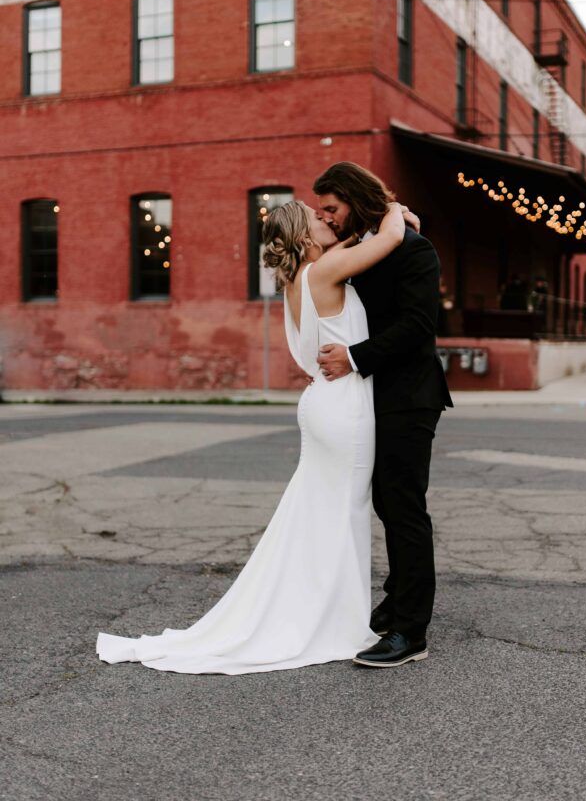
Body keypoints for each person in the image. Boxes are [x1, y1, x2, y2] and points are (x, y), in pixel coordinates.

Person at [96, 198, 407, 675]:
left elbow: (344, 249)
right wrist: (394, 209)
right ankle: (337, 621)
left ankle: (322, 608)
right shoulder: (326, 273)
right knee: (343, 514)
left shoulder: (300, 279)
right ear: (305, 239)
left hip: (322, 402)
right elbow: (388, 240)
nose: (327, 220)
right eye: (317, 218)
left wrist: (344, 237)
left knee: (318, 512)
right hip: (344, 407)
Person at [314, 162, 452, 669]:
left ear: (354, 199)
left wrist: (353, 358)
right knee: (385, 503)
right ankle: (396, 602)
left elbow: (418, 326)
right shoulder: (362, 248)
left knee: (403, 507)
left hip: (410, 396)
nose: (326, 217)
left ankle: (410, 632)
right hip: (371, 397)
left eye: (332, 207)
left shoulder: (416, 249)